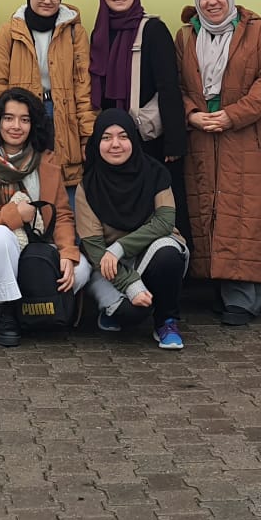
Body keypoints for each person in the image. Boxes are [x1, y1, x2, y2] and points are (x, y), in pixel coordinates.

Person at [176, 0, 261, 327]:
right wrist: (192, 114)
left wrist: (232, 115)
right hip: (201, 135)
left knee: (242, 214)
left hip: (243, 135)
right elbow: (176, 85)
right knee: (208, 211)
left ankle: (244, 299)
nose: (212, 2)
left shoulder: (257, 32)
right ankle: (219, 291)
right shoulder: (185, 37)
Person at [0, 86, 88, 348]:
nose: (16, 126)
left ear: (33, 124)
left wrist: (67, 251)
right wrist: (13, 215)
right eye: (9, 118)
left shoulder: (46, 161)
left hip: (38, 246)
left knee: (81, 269)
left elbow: (62, 215)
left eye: (24, 119)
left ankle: (34, 306)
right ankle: (6, 312)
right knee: (0, 237)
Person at [89, 0, 189, 237]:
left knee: (157, 207)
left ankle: (169, 257)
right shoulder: (99, 33)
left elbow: (169, 87)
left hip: (149, 140)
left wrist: (174, 143)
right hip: (114, 139)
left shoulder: (154, 30)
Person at [77, 110, 190, 349]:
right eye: (106, 137)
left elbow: (164, 221)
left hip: (148, 253)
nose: (115, 144)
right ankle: (114, 310)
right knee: (132, 312)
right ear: (96, 143)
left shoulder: (156, 173)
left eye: (123, 136)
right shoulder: (87, 186)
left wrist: (119, 247)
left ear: (133, 139)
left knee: (168, 253)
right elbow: (94, 249)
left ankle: (166, 321)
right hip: (108, 265)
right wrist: (131, 284)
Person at [0, 0, 94, 191]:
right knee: (25, 179)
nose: (47, 0)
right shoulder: (10, 31)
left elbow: (83, 87)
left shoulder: (75, 32)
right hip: (23, 115)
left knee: (64, 180)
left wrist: (87, 137)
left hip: (63, 114)